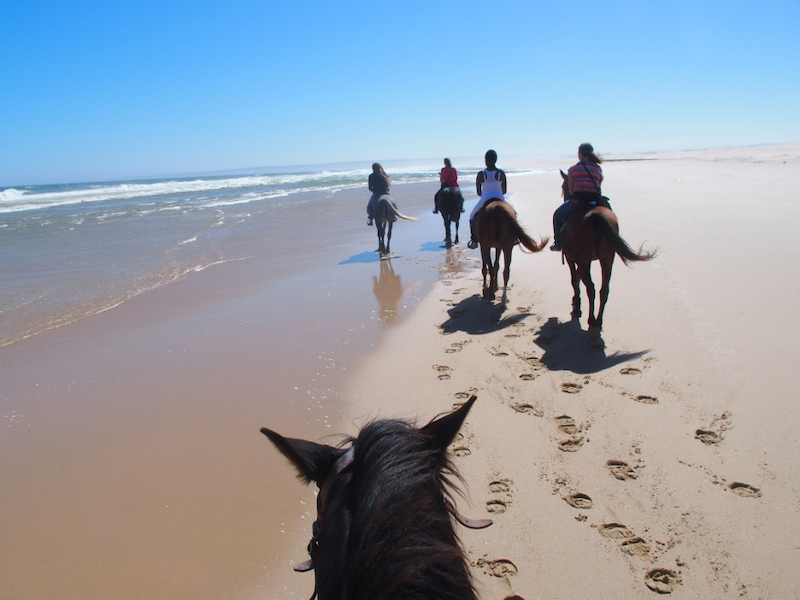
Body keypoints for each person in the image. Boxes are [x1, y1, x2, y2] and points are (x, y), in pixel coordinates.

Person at [550, 143, 604, 251]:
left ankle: (558, 244)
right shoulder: (597, 168)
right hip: (595, 200)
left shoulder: (573, 169)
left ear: (580, 154)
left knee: (557, 215)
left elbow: (571, 190)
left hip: (578, 201)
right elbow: (599, 183)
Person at [467, 149, 513, 249]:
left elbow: (479, 192)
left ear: (485, 160)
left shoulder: (481, 174)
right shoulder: (501, 173)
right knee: (513, 213)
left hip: (485, 199)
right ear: (495, 160)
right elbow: (504, 191)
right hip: (500, 199)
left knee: (472, 217)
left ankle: (474, 239)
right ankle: (515, 237)